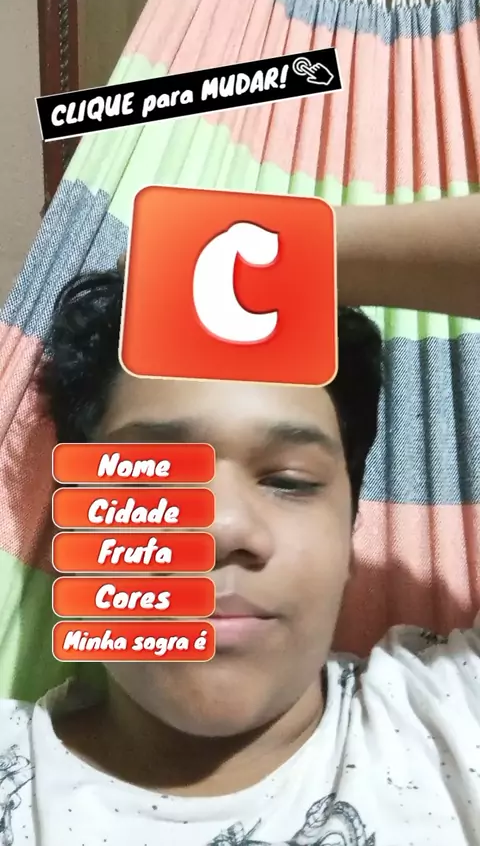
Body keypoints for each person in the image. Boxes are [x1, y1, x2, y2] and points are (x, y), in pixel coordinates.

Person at [0, 208, 478, 846]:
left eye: (290, 481)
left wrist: (277, 255)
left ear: (349, 535)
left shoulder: (450, 721)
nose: (222, 528)